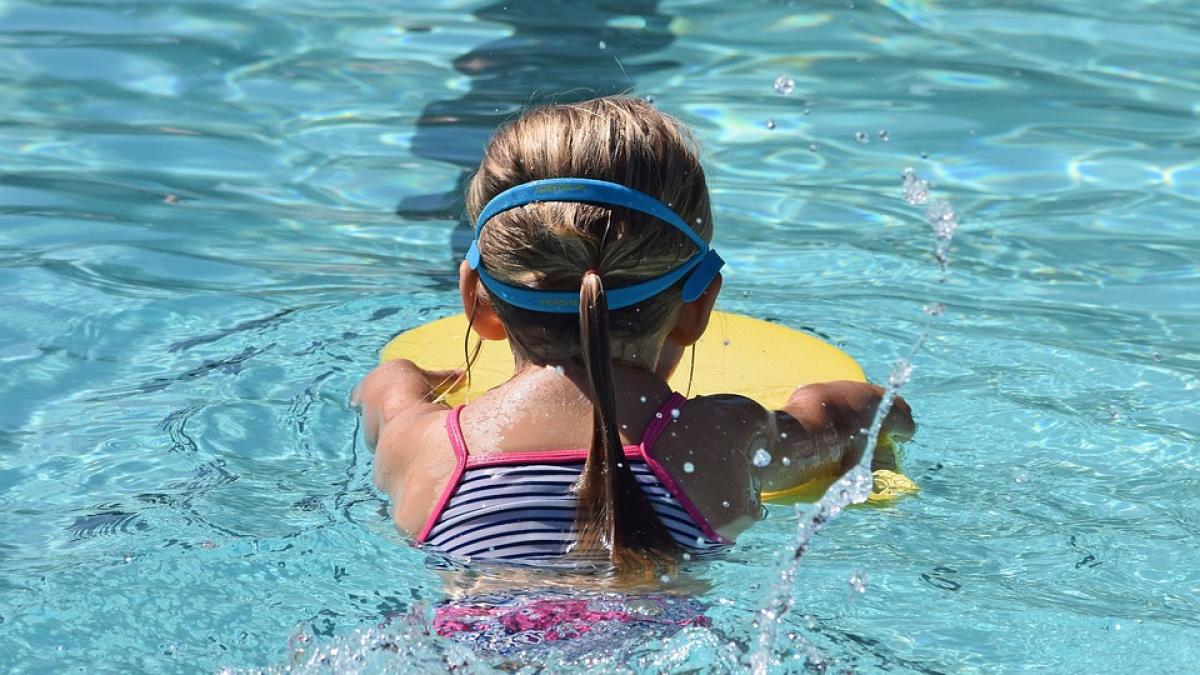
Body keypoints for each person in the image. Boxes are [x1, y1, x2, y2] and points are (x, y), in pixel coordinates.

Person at [356, 96, 915, 580]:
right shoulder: (717, 437)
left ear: (477, 301)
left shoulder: (422, 445)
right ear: (697, 307)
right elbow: (860, 416)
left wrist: (422, 378)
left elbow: (385, 384)